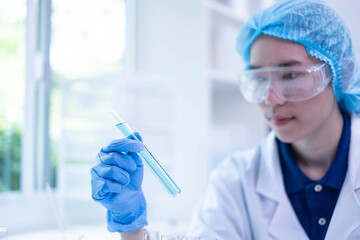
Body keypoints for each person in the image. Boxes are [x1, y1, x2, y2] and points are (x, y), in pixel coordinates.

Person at [90, 0, 360, 239]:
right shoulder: (235, 181)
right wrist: (131, 230)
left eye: (290, 76)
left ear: (338, 74)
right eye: (259, 78)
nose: (271, 98)